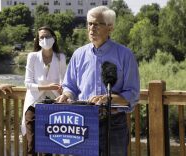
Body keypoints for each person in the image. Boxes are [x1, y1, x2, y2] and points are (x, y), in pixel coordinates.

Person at [56, 6, 140, 156]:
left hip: (114, 125)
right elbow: (70, 85)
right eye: (89, 23)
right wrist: (66, 95)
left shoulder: (125, 55)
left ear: (110, 27)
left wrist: (108, 98)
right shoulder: (78, 55)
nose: (91, 28)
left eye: (97, 24)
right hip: (82, 122)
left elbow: (132, 94)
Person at [21, 26, 67, 156]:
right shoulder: (32, 57)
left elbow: (64, 80)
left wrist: (63, 89)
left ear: (54, 38)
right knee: (32, 144)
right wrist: (49, 87)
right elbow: (28, 83)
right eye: (42, 37)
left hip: (54, 104)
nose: (45, 39)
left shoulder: (60, 57)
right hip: (33, 104)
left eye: (47, 36)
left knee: (49, 145)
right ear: (37, 40)